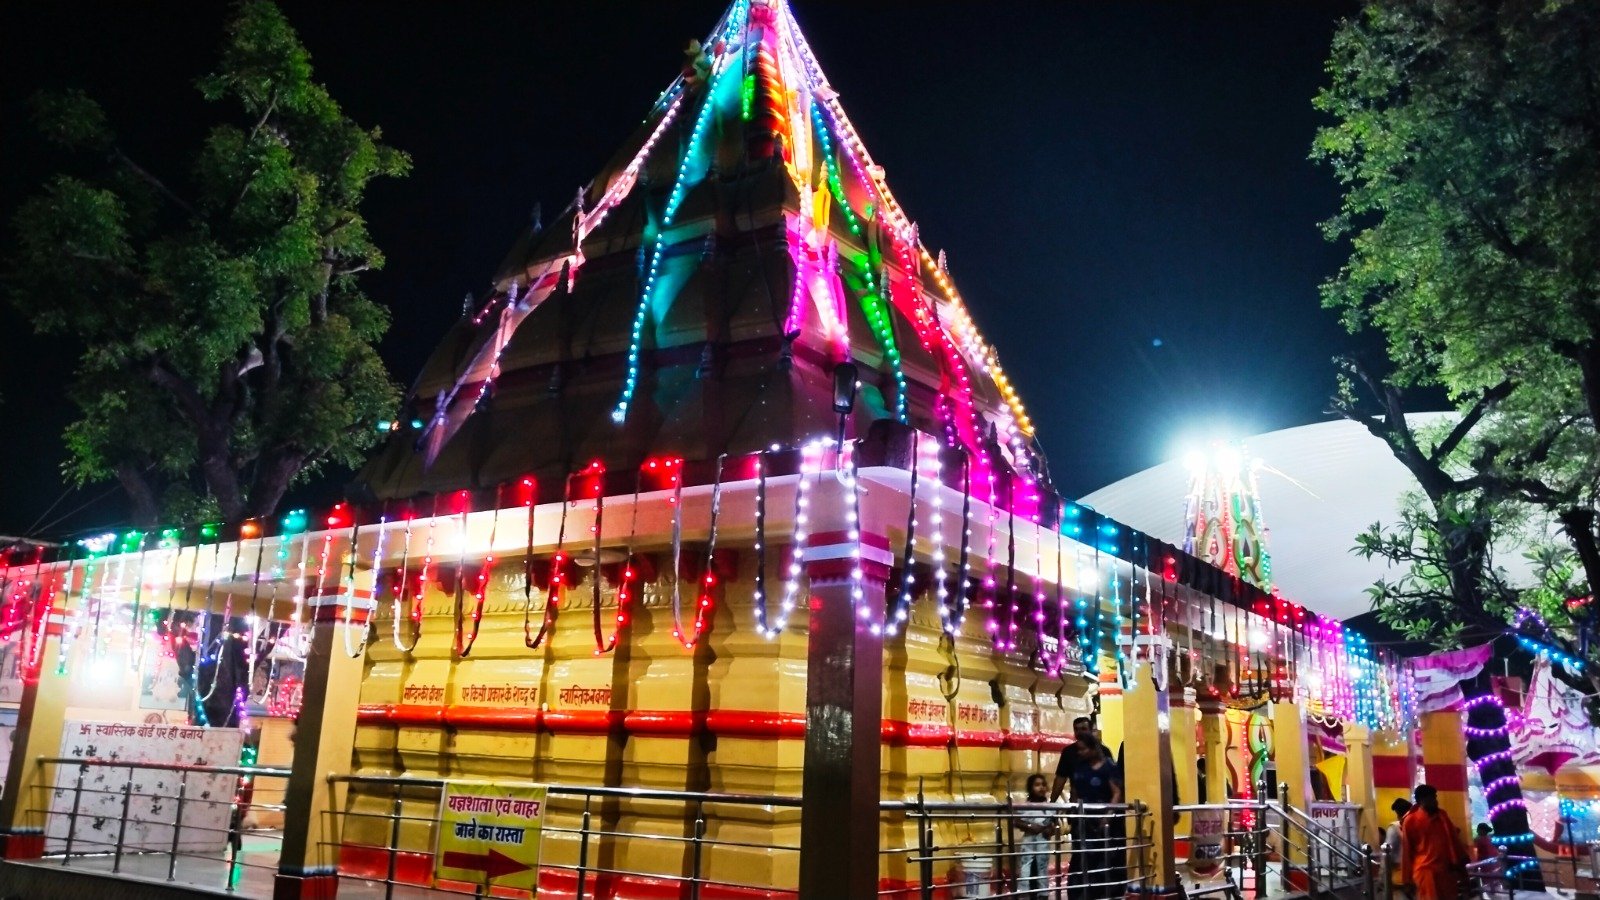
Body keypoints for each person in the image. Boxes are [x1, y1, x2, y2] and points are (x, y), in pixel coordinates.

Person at [1066, 739, 1126, 900]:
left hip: (1104, 822)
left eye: (1083, 749)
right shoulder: (1080, 768)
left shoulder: (1109, 767)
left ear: (1093, 749)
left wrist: (1107, 815)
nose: (1080, 753)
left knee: (1103, 858)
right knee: (1082, 857)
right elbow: (1075, 791)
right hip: (1084, 820)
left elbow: (1116, 792)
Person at [1400, 784, 1467, 900]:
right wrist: (1406, 880)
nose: (1435, 801)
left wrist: (1461, 864)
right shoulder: (1410, 820)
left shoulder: (1442, 815)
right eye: (1432, 798)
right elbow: (1407, 851)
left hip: (1446, 871)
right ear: (1421, 800)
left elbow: (1454, 840)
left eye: (1435, 797)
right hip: (1425, 873)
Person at [1016, 774, 1058, 898]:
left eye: (1043, 785)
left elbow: (1055, 825)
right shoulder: (1025, 806)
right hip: (1029, 843)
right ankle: (1024, 894)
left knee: (1042, 869)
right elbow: (1016, 821)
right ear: (1030, 788)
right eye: (1037, 785)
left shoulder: (1050, 808)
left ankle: (1043, 894)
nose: (1041, 788)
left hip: (1043, 843)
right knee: (1025, 869)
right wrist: (1030, 826)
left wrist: (1049, 829)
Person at [1385, 797, 1413, 886]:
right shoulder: (1418, 822)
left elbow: (1387, 852)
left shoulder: (1394, 828)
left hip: (1399, 873)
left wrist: (1382, 877)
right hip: (1416, 871)